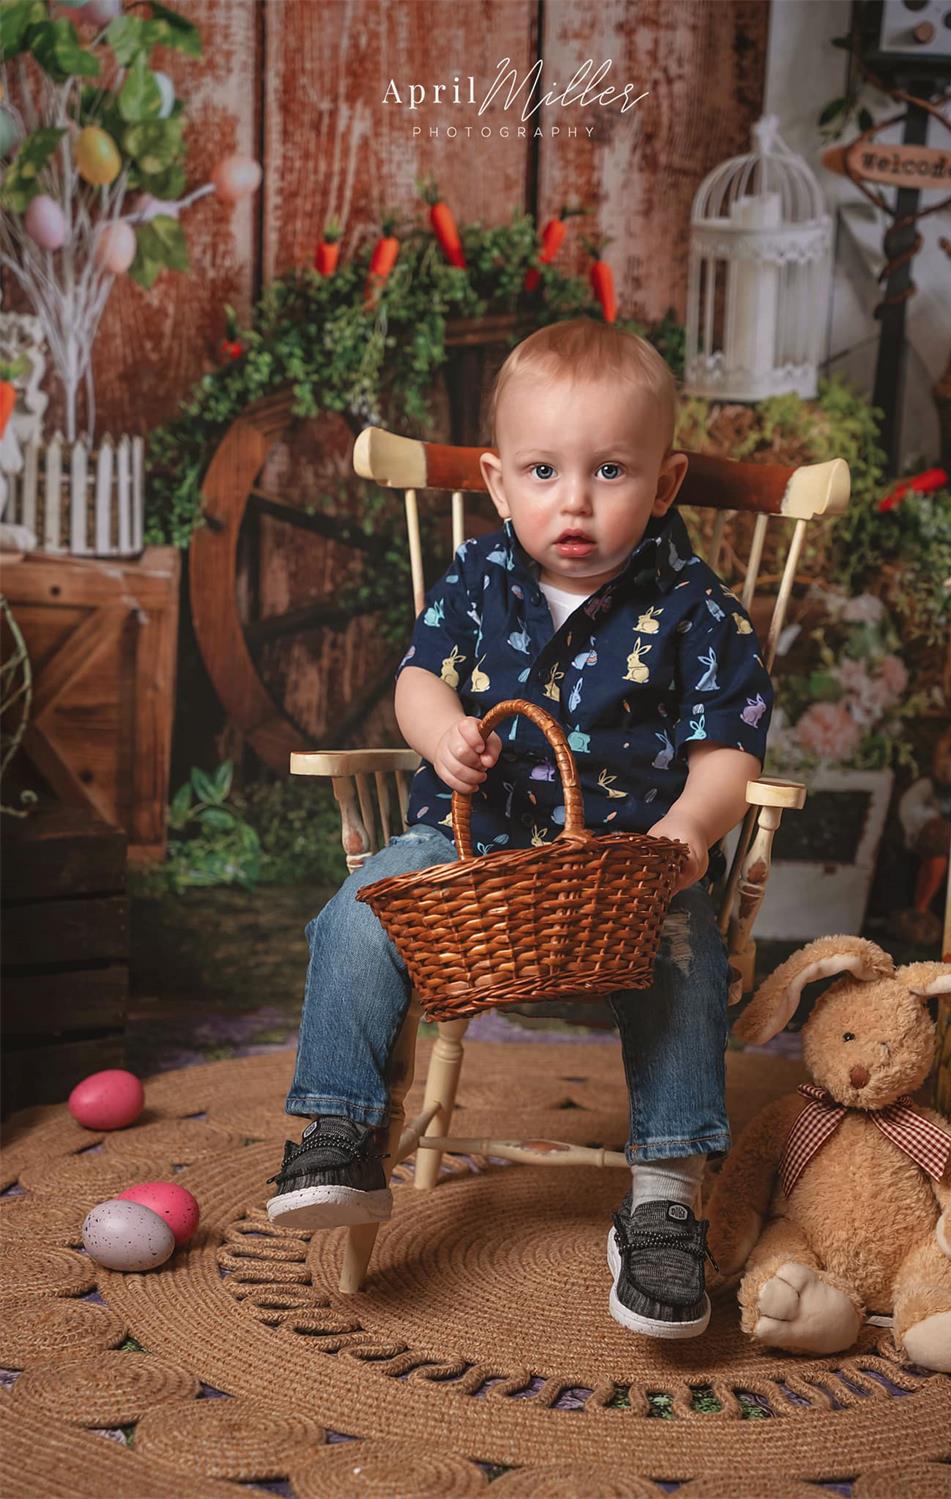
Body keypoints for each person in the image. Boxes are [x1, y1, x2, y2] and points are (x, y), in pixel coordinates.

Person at [266, 316, 773, 1339]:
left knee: (684, 952)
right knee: (357, 913)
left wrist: (687, 828)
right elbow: (416, 679)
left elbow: (730, 748)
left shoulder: (693, 607)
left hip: (627, 865)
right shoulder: (475, 578)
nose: (573, 500)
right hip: (469, 847)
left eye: (611, 470)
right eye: (542, 471)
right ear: (497, 483)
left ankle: (665, 1198)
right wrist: (441, 729)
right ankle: (343, 1128)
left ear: (665, 483)